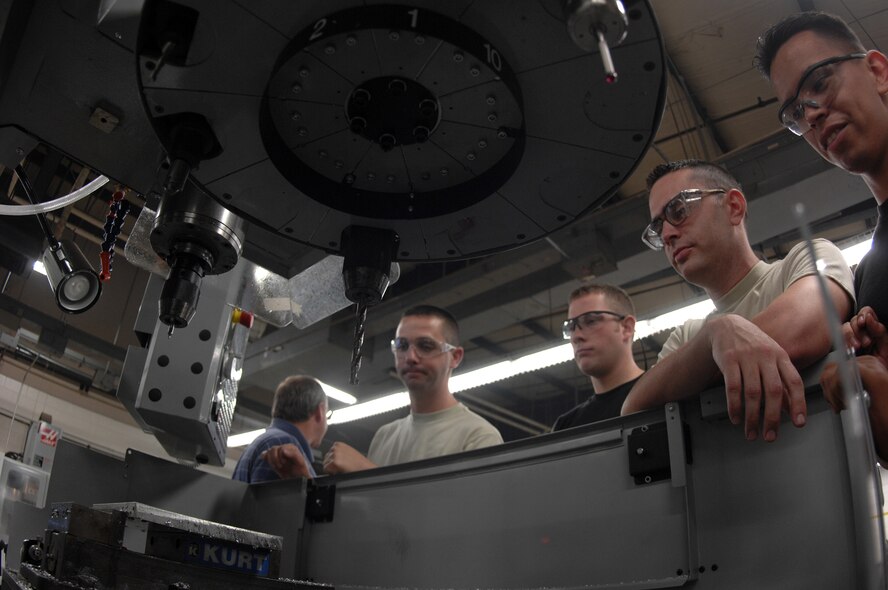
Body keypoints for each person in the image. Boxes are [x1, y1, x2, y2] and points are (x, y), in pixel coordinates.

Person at [621, 159, 854, 443]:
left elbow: (802, 330)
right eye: (658, 227)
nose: (668, 234)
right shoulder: (689, 334)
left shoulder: (809, 259)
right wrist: (713, 337)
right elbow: (635, 408)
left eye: (679, 210)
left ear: (733, 207)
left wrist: (698, 369)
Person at [754, 11, 888, 459]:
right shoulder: (869, 273)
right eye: (795, 111)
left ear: (877, 71)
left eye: (819, 82)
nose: (811, 113)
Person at [263, 305, 503, 478]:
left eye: (426, 346)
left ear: (455, 356)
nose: (410, 357)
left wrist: (366, 471)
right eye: (402, 345)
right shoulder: (384, 436)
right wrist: (303, 480)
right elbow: (369, 516)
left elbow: (466, 521)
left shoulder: (478, 437)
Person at [553, 284, 644, 430]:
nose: (576, 336)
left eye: (591, 321)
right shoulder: (565, 426)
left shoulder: (661, 396)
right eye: (571, 327)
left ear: (626, 328)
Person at [232, 375, 328, 483]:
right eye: (327, 415)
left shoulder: (265, 441)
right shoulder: (285, 445)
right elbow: (276, 500)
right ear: (320, 411)